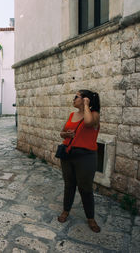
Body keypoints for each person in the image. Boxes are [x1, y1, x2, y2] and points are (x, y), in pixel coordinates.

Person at [57, 90, 101, 233]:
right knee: (69, 185)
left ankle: (90, 218)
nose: (73, 99)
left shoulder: (94, 115)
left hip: (86, 157)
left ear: (85, 99)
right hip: (68, 155)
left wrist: (87, 105)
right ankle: (66, 210)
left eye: (76, 97)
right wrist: (66, 134)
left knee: (85, 188)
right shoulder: (72, 115)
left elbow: (88, 123)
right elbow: (62, 132)